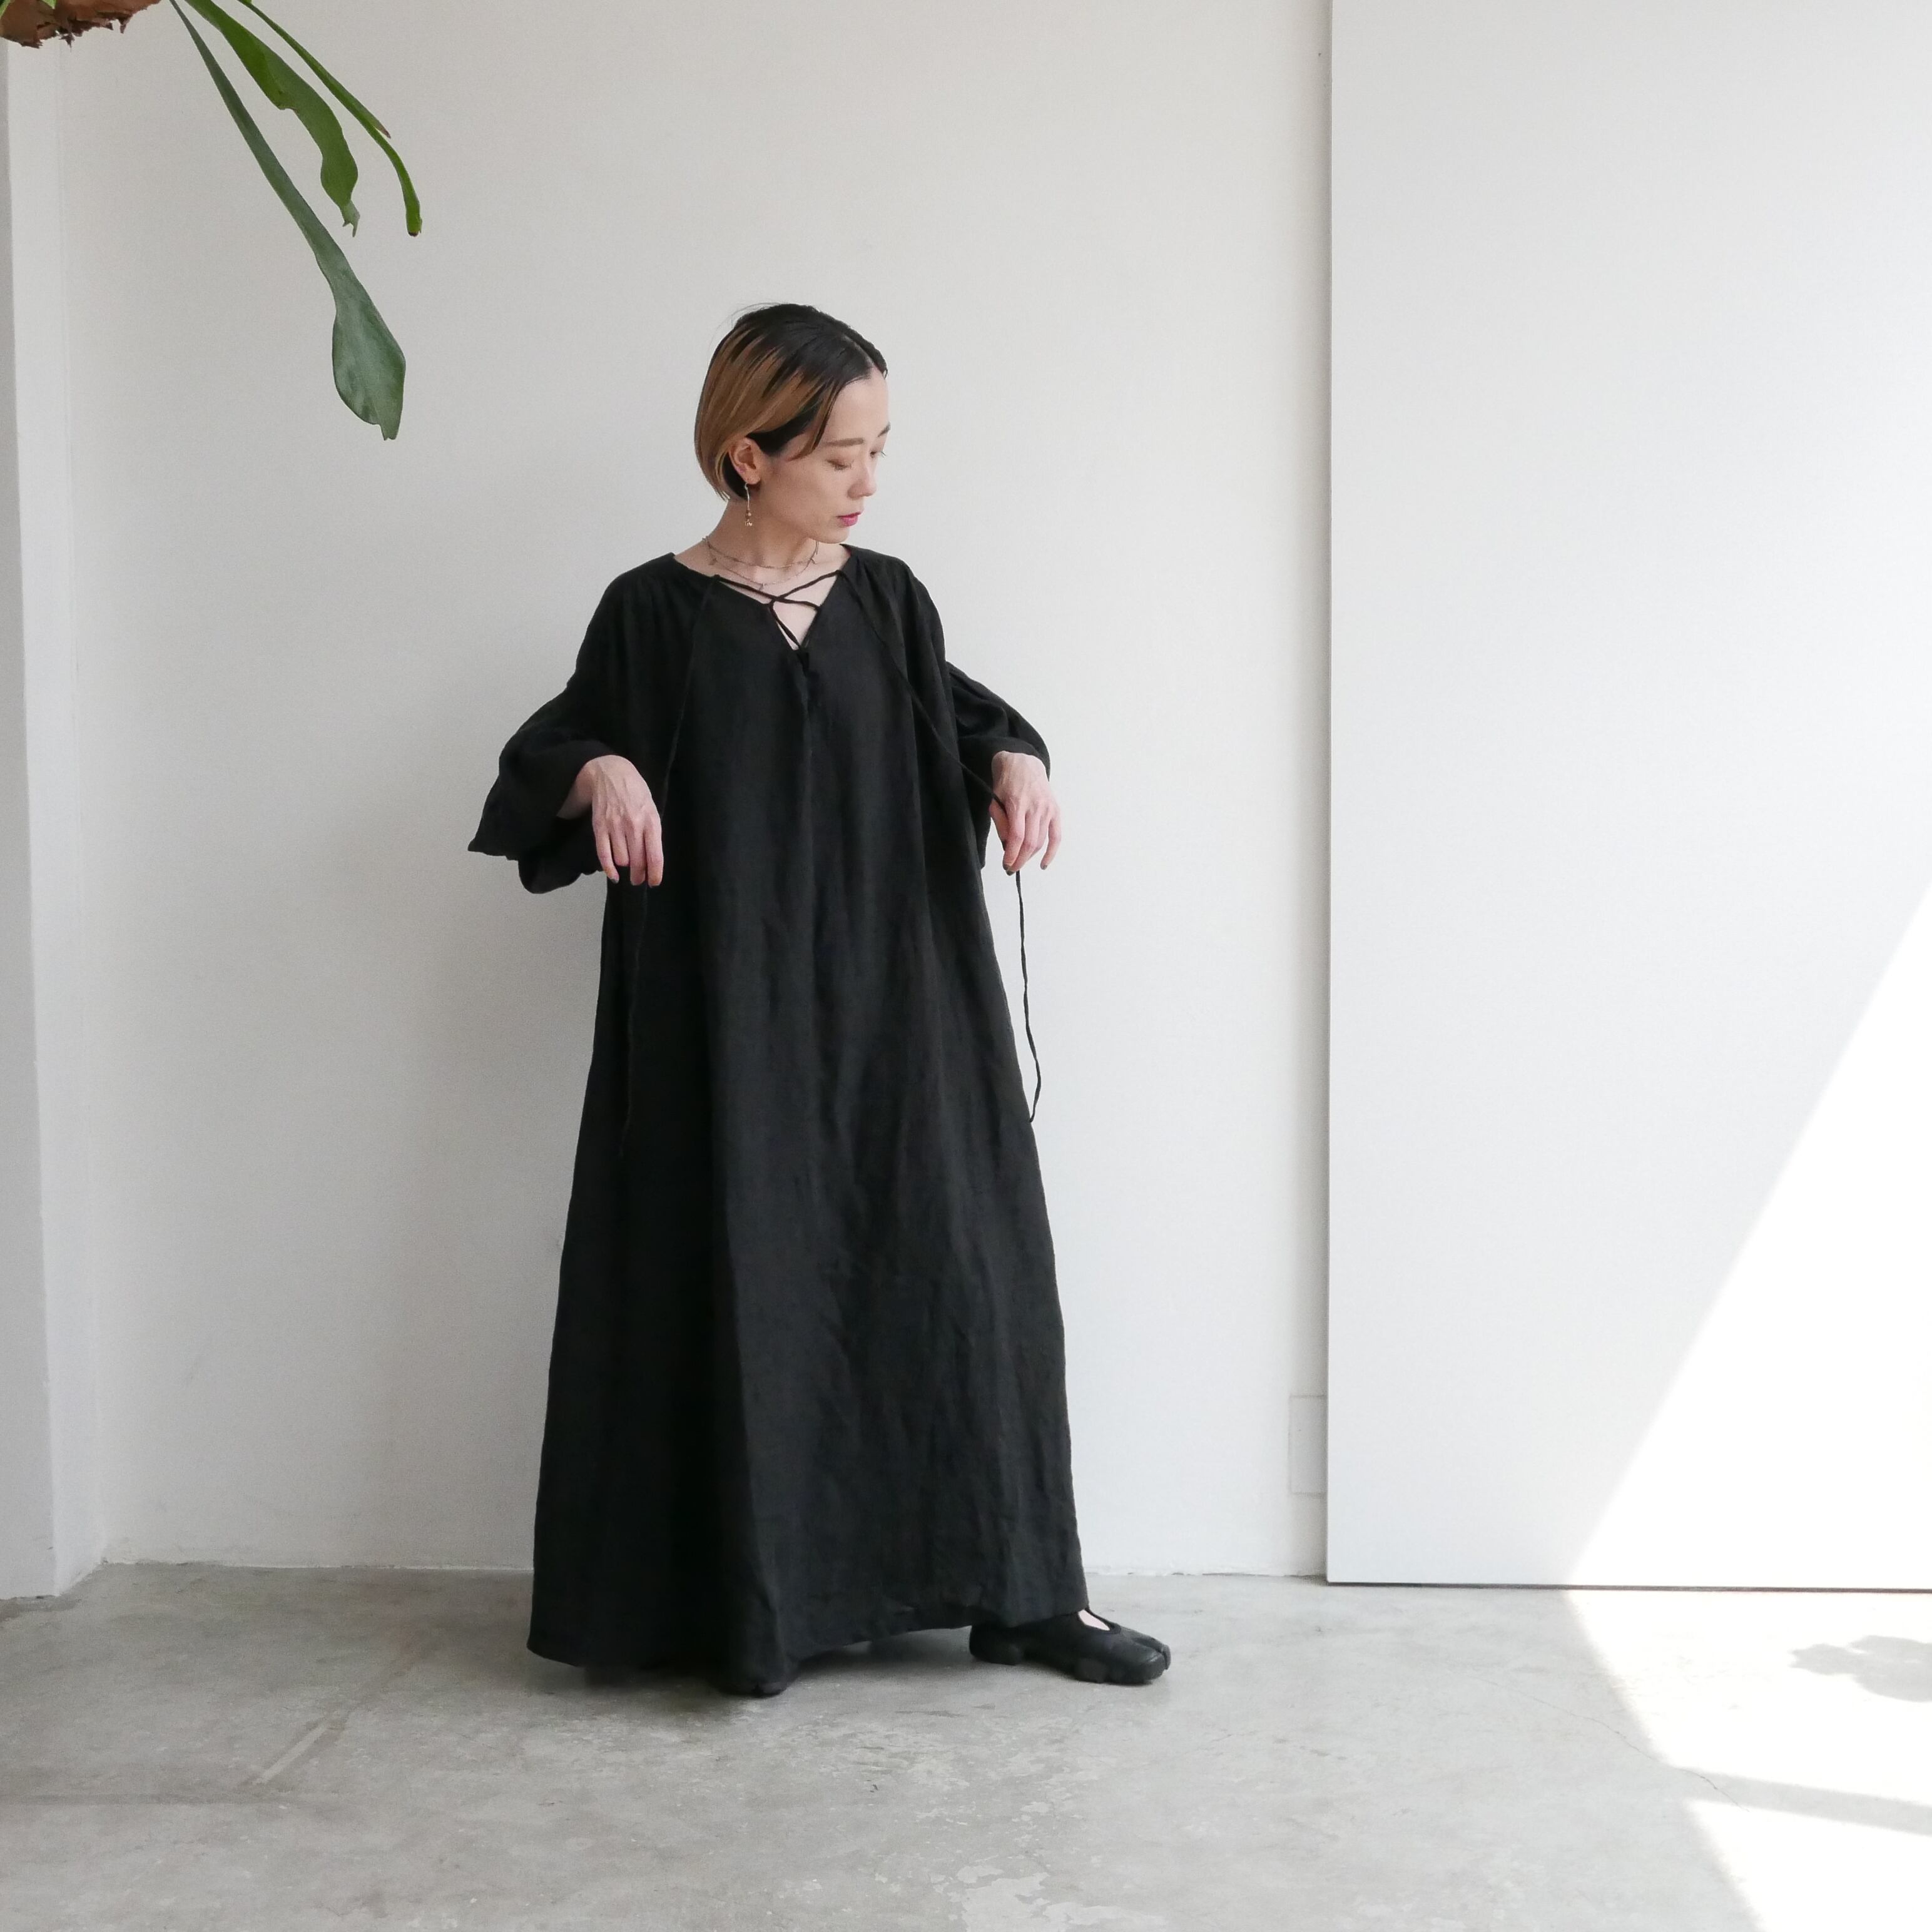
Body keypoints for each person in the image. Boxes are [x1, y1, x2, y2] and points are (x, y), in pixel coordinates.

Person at [469, 302, 1169, 1697]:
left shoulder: (890, 601)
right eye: (842, 456)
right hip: (720, 1021)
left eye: (879, 450)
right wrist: (601, 768)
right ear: (749, 455)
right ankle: (748, 1605)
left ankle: (1025, 1592)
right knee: (736, 1281)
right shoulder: (650, 611)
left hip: (903, 1005)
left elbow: (964, 716)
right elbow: (551, 745)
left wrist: (1016, 760)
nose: (867, 481)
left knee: (966, 1271)